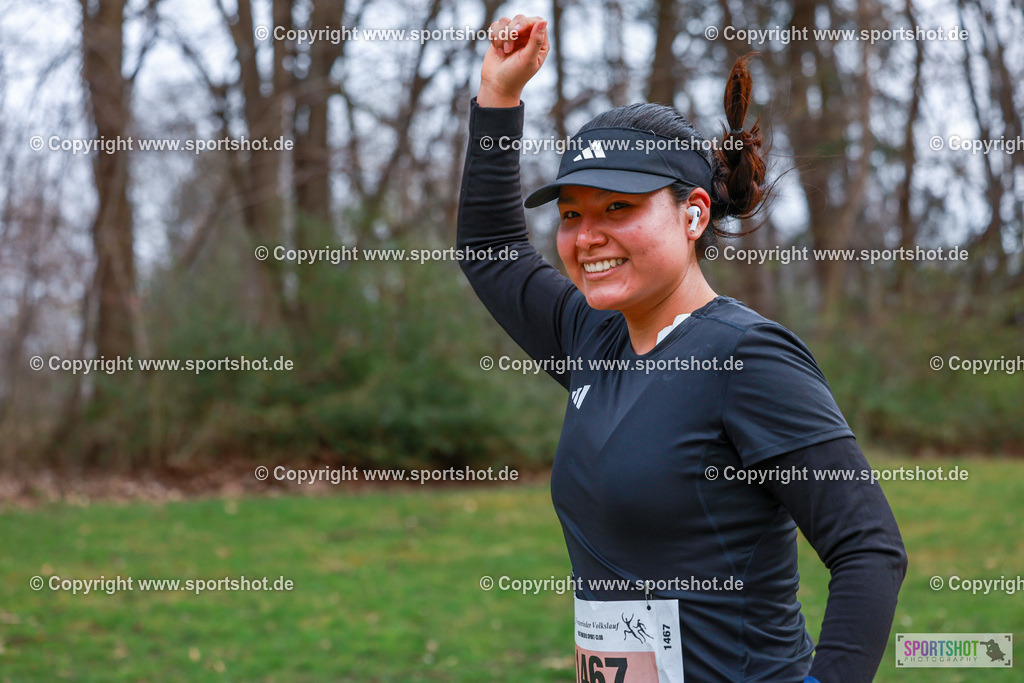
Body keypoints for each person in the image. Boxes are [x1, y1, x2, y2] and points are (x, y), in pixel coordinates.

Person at [458, 14, 907, 682]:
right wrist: (498, 96)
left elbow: (868, 546)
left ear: (693, 214)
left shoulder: (746, 359)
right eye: (573, 214)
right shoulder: (592, 336)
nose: (587, 236)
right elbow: (491, 252)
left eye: (618, 209)